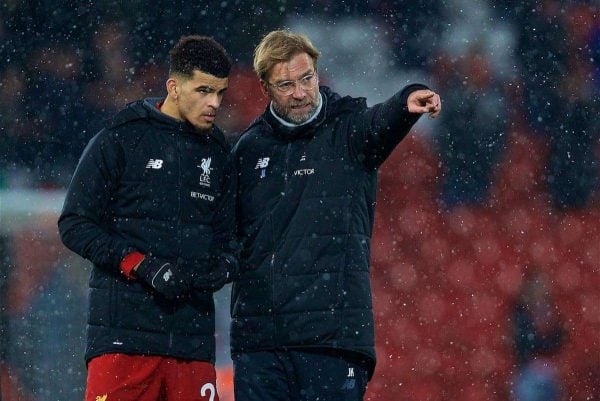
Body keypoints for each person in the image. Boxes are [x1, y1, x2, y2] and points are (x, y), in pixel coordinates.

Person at [230, 30, 441, 401]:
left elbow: (382, 121)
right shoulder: (249, 150)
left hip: (331, 339)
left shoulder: (349, 130)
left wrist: (409, 99)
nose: (300, 92)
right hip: (260, 344)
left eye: (307, 78)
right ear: (265, 87)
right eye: (286, 84)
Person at [58, 35, 237, 401]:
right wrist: (140, 265)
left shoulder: (219, 153)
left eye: (220, 93)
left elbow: (230, 238)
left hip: (191, 341)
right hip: (124, 337)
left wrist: (223, 267)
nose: (213, 103)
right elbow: (75, 223)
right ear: (173, 86)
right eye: (203, 90)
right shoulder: (122, 138)